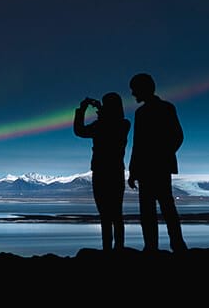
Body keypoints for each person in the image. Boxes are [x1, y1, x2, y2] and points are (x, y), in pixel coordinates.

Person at [127, 73, 188, 253]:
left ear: (143, 89)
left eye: (134, 90)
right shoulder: (151, 110)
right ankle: (169, 246)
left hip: (153, 168)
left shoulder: (159, 109)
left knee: (158, 209)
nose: (133, 94)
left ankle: (160, 247)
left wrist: (159, 156)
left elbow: (177, 136)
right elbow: (138, 144)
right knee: (160, 209)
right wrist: (133, 171)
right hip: (154, 168)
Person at [74, 92, 130, 251]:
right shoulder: (124, 124)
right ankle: (117, 248)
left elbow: (80, 131)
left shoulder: (106, 125)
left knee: (107, 214)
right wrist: (99, 109)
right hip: (115, 172)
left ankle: (110, 249)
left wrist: (83, 110)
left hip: (102, 173)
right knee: (115, 214)